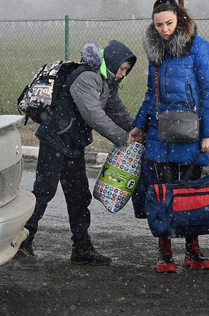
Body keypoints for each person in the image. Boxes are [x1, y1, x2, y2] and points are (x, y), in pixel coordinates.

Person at [16, 40, 137, 267]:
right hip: (55, 139)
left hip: (73, 143)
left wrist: (139, 130)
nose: (123, 75)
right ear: (111, 62)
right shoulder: (87, 77)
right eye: (122, 69)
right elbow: (93, 115)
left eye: (126, 71)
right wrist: (123, 138)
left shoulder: (106, 84)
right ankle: (22, 243)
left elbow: (119, 113)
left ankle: (81, 248)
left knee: (79, 196)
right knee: (44, 192)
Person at [129, 0, 209, 273]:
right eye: (158, 25)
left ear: (180, 19)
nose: (164, 29)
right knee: (162, 195)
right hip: (159, 135)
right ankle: (164, 251)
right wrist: (139, 125)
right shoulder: (156, 53)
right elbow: (150, 95)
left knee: (191, 195)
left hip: (193, 134)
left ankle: (192, 250)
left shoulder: (201, 49)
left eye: (168, 23)